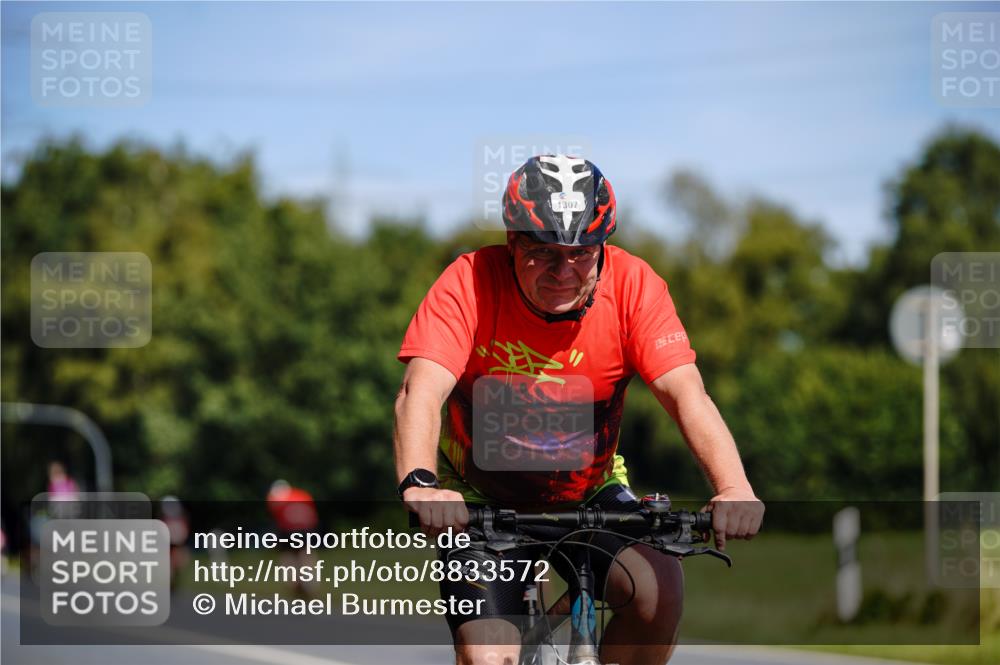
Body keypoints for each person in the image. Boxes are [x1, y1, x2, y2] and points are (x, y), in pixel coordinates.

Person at [394, 154, 764, 665]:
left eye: (582, 253)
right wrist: (421, 483)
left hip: (589, 491)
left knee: (658, 596)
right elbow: (419, 391)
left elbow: (687, 395)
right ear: (512, 241)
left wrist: (733, 488)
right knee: (488, 654)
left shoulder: (634, 286)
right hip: (481, 499)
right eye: (543, 251)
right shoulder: (469, 282)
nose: (563, 271)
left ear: (602, 246)